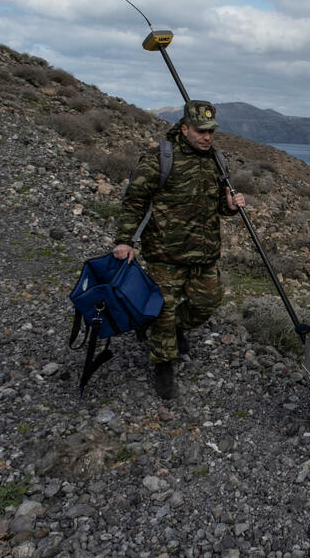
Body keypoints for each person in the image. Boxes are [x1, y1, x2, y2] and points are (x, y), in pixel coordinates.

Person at [112, 101, 245, 399]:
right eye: (200, 131)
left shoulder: (217, 161)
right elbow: (134, 201)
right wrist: (125, 240)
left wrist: (232, 206)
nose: (206, 137)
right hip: (165, 253)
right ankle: (163, 364)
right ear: (184, 128)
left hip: (204, 253)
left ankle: (170, 330)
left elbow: (220, 206)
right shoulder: (159, 158)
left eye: (211, 131)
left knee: (206, 303)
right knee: (164, 309)